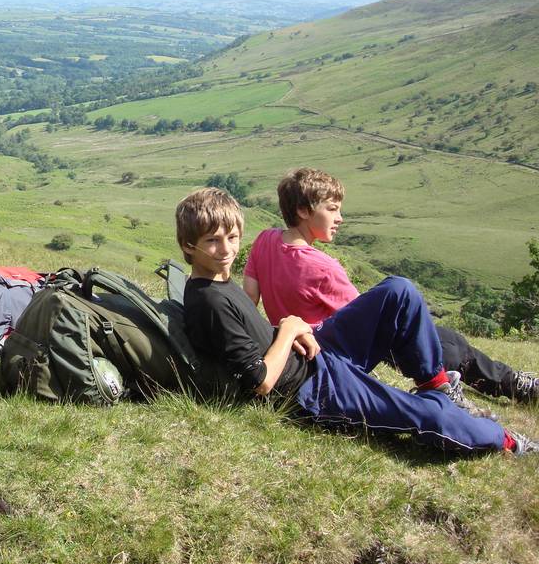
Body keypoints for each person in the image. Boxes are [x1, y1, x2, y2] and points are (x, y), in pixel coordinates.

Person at [176, 186, 537, 456]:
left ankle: (437, 383)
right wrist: (288, 330)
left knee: (399, 291)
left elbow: (250, 336)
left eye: (233, 237)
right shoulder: (209, 303)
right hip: (310, 391)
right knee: (428, 417)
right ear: (188, 245)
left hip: (316, 356)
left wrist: (290, 328)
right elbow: (259, 382)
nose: (226, 249)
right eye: (212, 241)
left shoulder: (217, 282)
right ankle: (506, 440)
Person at [242, 167, 538, 405]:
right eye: (332, 209)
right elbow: (378, 321)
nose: (340, 218)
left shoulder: (265, 240)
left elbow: (249, 301)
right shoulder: (322, 267)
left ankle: (510, 382)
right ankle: (512, 385)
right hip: (330, 354)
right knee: (442, 342)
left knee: (446, 339)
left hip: (300, 350)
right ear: (304, 211)